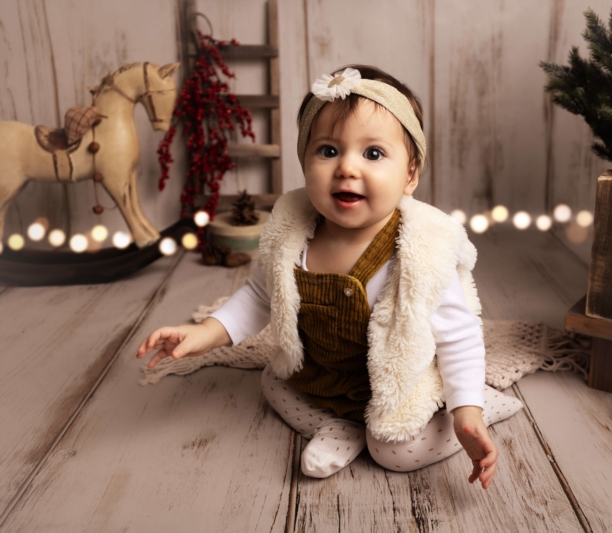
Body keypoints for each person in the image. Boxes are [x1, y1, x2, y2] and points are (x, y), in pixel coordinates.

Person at [136, 65, 522, 488]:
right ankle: (342, 427)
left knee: (394, 452)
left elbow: (459, 336)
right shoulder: (294, 237)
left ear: (410, 175)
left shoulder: (417, 254)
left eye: (373, 154)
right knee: (273, 381)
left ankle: (473, 406)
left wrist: (465, 410)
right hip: (327, 374)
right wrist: (206, 333)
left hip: (397, 385)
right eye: (328, 151)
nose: (347, 168)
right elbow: (260, 297)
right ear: (304, 162)